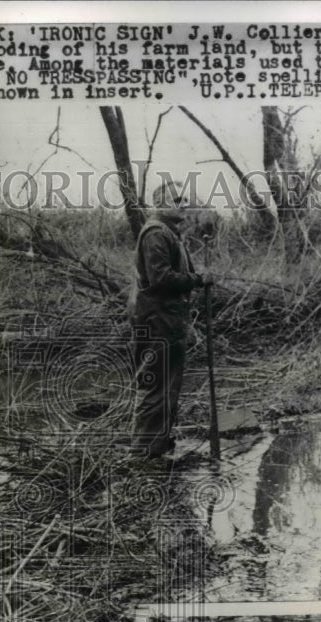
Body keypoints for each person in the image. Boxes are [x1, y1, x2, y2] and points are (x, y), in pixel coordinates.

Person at [130, 182, 212, 458]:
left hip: (168, 321)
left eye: (185, 199)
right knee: (154, 387)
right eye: (177, 200)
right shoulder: (156, 233)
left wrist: (193, 277)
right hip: (157, 322)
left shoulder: (169, 233)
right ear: (161, 204)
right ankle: (142, 455)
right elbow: (161, 279)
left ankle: (159, 449)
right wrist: (197, 280)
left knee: (168, 386)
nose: (184, 204)